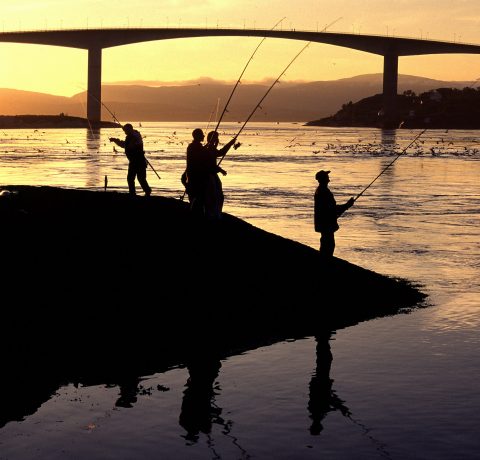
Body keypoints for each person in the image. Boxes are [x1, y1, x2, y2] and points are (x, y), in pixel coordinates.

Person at [314, 170, 354, 258]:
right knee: (328, 246)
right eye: (327, 177)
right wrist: (347, 205)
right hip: (326, 225)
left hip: (324, 224)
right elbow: (331, 209)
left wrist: (346, 205)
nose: (329, 179)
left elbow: (331, 209)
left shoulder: (320, 190)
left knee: (326, 244)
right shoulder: (324, 192)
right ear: (323, 179)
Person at [109, 123, 151, 197]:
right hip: (133, 161)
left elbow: (129, 144)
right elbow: (124, 145)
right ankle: (134, 193)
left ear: (130, 129)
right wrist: (115, 140)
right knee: (132, 179)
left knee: (138, 178)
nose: (125, 132)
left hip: (138, 161)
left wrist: (117, 140)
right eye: (124, 131)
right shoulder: (132, 136)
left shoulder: (135, 136)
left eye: (126, 130)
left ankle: (146, 191)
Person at [204, 131, 237, 219]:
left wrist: (230, 143)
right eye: (216, 137)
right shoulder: (209, 148)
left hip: (212, 174)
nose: (217, 139)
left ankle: (215, 212)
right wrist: (221, 170)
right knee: (216, 195)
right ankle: (214, 214)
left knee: (218, 194)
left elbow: (220, 152)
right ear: (212, 139)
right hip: (209, 175)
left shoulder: (210, 147)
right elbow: (211, 163)